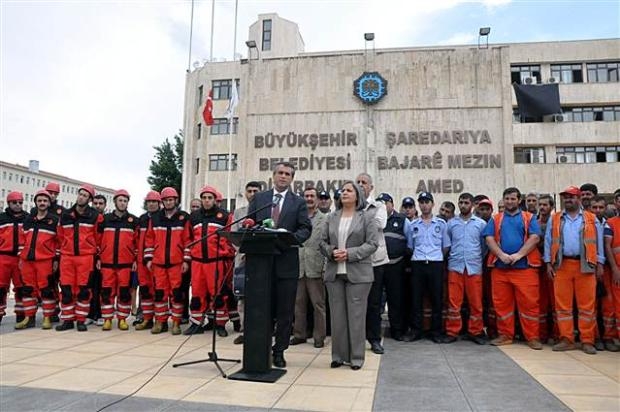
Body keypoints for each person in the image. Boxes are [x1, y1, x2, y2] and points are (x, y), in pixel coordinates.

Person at [247, 162, 312, 368]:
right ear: (273, 175)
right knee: (262, 309)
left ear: (292, 179)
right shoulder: (260, 199)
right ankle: (261, 346)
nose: (283, 177)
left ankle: (279, 350)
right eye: (280, 173)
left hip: (286, 264)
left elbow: (305, 229)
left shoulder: (298, 202)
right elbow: (249, 224)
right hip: (261, 265)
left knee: (284, 311)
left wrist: (291, 238)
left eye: (287, 174)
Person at [319, 181, 379, 370]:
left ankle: (356, 358)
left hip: (358, 273)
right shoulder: (331, 217)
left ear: (357, 196)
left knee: (356, 317)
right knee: (337, 318)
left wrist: (350, 254)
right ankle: (338, 356)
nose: (344, 193)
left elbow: (372, 244)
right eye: (342, 190)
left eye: (348, 190)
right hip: (334, 272)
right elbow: (321, 241)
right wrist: (332, 251)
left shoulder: (367, 217)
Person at [544, 186, 604, 355]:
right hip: (562, 266)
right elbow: (549, 241)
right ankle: (567, 339)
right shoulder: (555, 218)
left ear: (579, 199)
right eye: (566, 197)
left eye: (571, 197)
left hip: (586, 265)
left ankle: (587, 340)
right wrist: (548, 263)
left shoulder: (591, 218)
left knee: (587, 306)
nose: (568, 200)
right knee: (562, 306)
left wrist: (600, 263)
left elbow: (598, 242)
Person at [483, 187, 542, 349]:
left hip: (525, 268)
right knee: (502, 305)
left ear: (519, 200)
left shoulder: (529, 218)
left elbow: (535, 237)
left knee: (529, 305)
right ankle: (505, 335)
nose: (509, 202)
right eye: (507, 199)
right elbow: (489, 239)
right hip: (500, 269)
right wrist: (501, 255)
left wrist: (519, 255)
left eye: (513, 199)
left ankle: (532, 337)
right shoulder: (495, 219)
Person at [184, 185, 235, 336]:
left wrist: (224, 255)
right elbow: (188, 238)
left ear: (215, 199)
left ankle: (220, 325)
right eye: (204, 198)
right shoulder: (193, 217)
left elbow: (229, 238)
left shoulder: (224, 216)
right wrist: (188, 258)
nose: (206, 201)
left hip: (216, 262)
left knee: (218, 294)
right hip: (198, 262)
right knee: (197, 293)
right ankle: (196, 323)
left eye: (209, 198)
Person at [144, 187, 191, 335]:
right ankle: (160, 321)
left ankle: (176, 322)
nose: (169, 202)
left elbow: (188, 241)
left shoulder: (184, 218)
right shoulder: (155, 218)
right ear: (162, 202)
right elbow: (149, 239)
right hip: (158, 263)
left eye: (171, 199)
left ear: (176, 201)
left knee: (176, 294)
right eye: (166, 200)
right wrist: (149, 259)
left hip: (176, 263)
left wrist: (186, 260)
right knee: (160, 294)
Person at [56, 185, 103, 332]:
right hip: (67, 256)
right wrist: (63, 250)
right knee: (66, 288)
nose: (81, 197)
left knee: (83, 289)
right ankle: (67, 319)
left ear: (89, 199)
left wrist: (97, 256)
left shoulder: (95, 216)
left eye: (85, 195)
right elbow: (60, 235)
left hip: (86, 257)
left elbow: (99, 238)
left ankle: (81, 319)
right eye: (80, 194)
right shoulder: (65, 215)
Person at [405, 192, 450, 343]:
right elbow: (410, 246)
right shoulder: (413, 225)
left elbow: (445, 247)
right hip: (418, 263)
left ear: (432, 204)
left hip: (435, 263)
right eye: (422, 202)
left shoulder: (441, 224)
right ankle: (416, 330)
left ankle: (436, 332)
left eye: (427, 202)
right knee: (416, 298)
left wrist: (435, 256)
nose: (424, 205)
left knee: (437, 299)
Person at [443, 193, 487, 344]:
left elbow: (485, 247)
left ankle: (476, 331)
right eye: (460, 202)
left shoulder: (480, 224)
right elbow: (447, 244)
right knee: (454, 302)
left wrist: (476, 259)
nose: (463, 205)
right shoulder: (451, 223)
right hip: (455, 267)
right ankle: (452, 331)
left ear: (473, 204)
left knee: (476, 302)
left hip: (474, 268)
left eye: (466, 203)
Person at [356, 173, 389, 355]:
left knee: (374, 303)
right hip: (356, 260)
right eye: (358, 182)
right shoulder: (350, 206)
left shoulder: (379, 205)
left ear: (371, 187)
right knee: (356, 302)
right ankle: (357, 338)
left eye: (364, 183)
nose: (361, 185)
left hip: (375, 261)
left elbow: (380, 224)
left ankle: (374, 339)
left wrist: (359, 218)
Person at [17, 190, 60, 330]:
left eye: (45, 200)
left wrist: (55, 260)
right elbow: (22, 239)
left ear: (49, 203)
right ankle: (29, 318)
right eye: (39, 200)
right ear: (35, 202)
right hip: (27, 260)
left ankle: (47, 317)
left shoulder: (54, 220)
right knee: (28, 290)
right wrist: (20, 256)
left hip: (45, 260)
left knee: (46, 289)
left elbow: (59, 241)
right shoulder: (28, 219)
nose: (42, 203)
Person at [290, 187, 328, 348]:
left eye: (312, 196)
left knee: (318, 305)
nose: (309, 199)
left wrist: (326, 266)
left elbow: (327, 243)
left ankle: (319, 337)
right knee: (298, 304)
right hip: (298, 266)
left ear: (318, 200)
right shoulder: (295, 219)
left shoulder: (325, 219)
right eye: (306, 196)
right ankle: (299, 334)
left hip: (316, 267)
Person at [96, 190, 138, 331]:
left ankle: (122, 319)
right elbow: (98, 240)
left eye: (125, 201)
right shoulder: (105, 219)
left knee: (124, 293)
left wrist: (135, 260)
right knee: (107, 292)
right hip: (107, 263)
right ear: (115, 202)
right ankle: (107, 319)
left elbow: (136, 243)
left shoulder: (133, 221)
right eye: (120, 200)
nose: (122, 203)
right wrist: (98, 257)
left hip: (125, 264)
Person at [374, 193, 408, 341]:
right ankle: (373, 332)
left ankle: (397, 331)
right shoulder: (373, 219)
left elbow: (410, 242)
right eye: (379, 203)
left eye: (385, 203)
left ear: (392, 204)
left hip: (396, 266)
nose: (382, 206)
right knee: (375, 301)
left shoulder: (402, 220)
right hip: (378, 265)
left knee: (396, 300)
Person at [231, 181, 261, 345]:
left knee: (261, 295)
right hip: (242, 259)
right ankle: (244, 329)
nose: (252, 193)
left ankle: (262, 328)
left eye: (255, 191)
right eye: (249, 191)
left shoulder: (267, 211)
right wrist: (245, 250)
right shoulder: (239, 212)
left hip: (261, 259)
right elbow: (234, 236)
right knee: (242, 297)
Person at [134, 190, 162, 330]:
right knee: (144, 290)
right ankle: (146, 318)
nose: (151, 204)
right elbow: (136, 239)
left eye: (154, 202)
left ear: (159, 203)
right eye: (149, 202)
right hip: (141, 262)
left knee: (158, 290)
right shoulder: (142, 219)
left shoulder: (162, 218)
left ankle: (159, 319)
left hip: (157, 261)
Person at [0, 192, 26, 325]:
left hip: (20, 259)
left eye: (20, 202)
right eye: (14, 202)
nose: (18, 205)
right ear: (8, 203)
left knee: (21, 288)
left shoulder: (28, 218)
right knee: (1, 287)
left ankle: (21, 315)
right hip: (3, 257)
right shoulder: (1, 218)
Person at [537, 194, 557, 344]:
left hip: (555, 266)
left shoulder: (558, 222)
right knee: (541, 302)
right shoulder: (534, 223)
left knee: (556, 302)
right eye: (541, 205)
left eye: (545, 205)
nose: (542, 207)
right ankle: (542, 334)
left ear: (551, 206)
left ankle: (557, 334)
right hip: (538, 267)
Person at [87, 194, 107, 326]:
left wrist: (100, 256)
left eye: (100, 203)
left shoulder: (106, 220)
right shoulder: (88, 219)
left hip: (101, 258)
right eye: (95, 203)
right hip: (88, 257)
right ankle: (89, 314)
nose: (97, 206)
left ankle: (100, 314)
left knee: (100, 288)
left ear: (105, 206)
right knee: (88, 287)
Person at [603, 199, 620, 351]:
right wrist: (615, 268)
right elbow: (607, 246)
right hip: (616, 271)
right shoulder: (611, 223)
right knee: (612, 305)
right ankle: (611, 336)